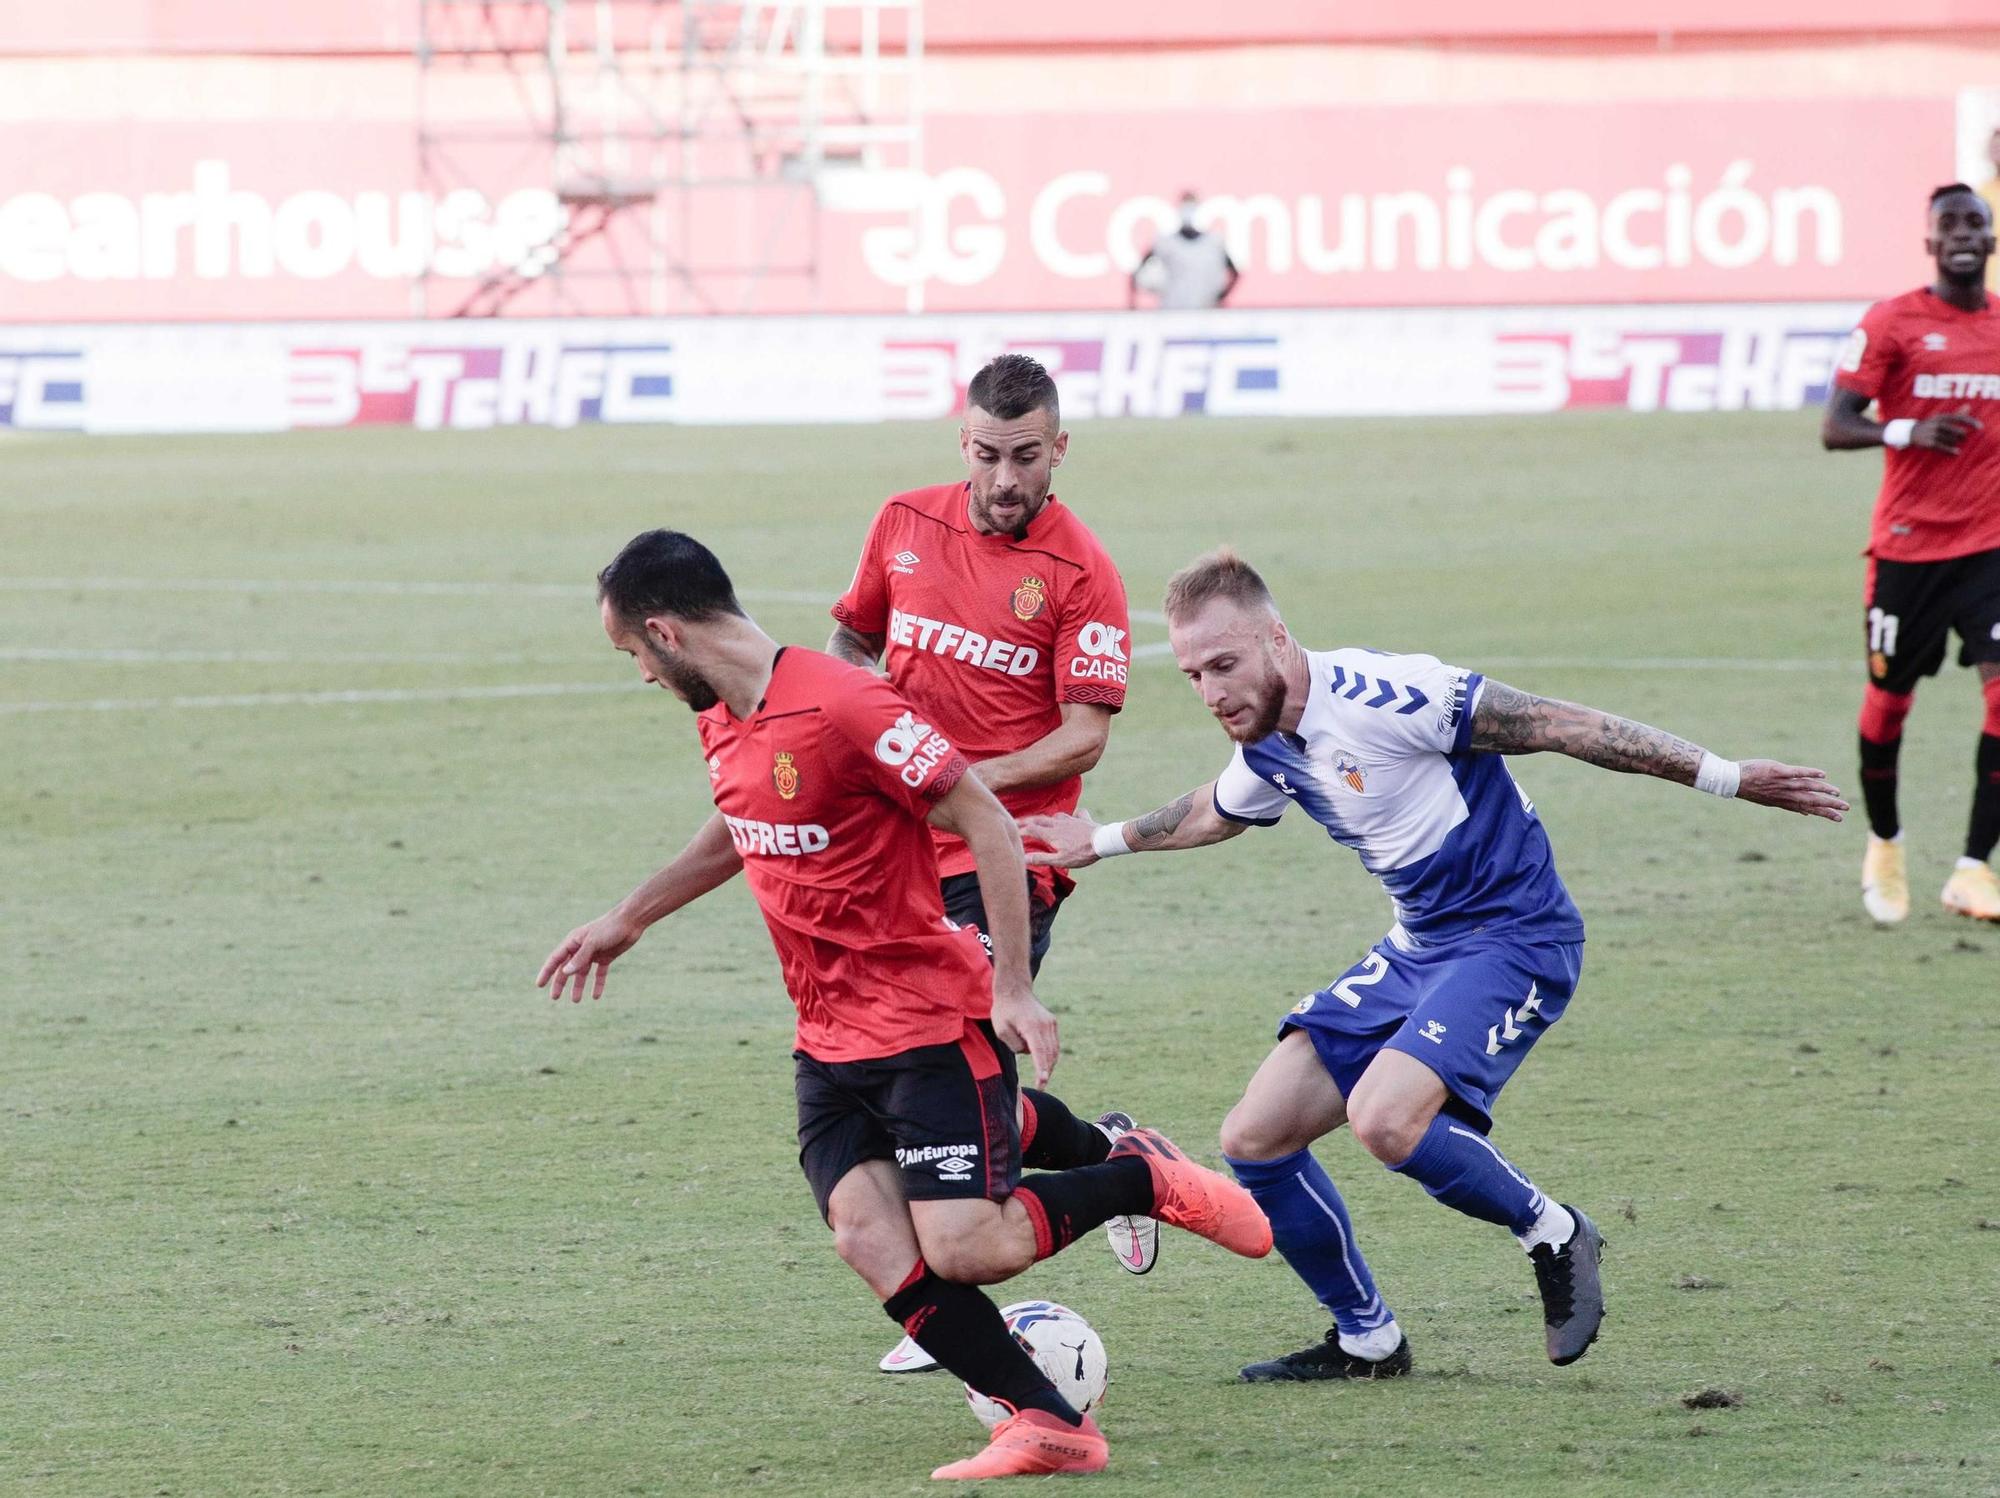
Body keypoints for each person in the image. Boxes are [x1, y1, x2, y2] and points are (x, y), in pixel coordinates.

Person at [537, 530, 1271, 1481]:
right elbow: (741, 818)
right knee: (866, 1233)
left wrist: (1012, 985)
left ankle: (1141, 1178)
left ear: (667, 631)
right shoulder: (722, 713)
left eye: (632, 652)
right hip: (824, 1035)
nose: (638, 673)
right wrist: (628, 917)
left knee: (968, 1247)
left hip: (924, 1020)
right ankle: (1050, 1424)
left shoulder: (846, 702)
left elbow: (985, 820)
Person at [1021, 549, 1845, 1382]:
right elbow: (1217, 810)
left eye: (1225, 664)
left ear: (1277, 637)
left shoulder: (1394, 696)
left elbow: (1566, 725)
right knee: (1256, 1137)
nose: (1211, 692)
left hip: (1516, 936)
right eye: (1194, 674)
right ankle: (1368, 1340)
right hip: (1419, 944)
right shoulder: (1269, 739)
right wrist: (1100, 841)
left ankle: (1556, 1232)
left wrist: (1729, 777)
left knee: (1387, 1118)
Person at [827, 355, 1157, 1377]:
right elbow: (850, 638)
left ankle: (958, 1296)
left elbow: (1083, 736)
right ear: (958, 442)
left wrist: (953, 779)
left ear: (1058, 449)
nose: (1005, 477)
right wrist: (851, 733)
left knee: (938, 1060)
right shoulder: (902, 522)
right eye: (986, 454)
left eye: (1025, 456)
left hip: (1002, 855)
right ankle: (1114, 1155)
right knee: (899, 1069)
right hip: (891, 852)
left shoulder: (1080, 571)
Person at [1823, 182, 2000, 926]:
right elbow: (1835, 425)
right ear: (1930, 243)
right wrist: (1906, 432)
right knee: (1889, 704)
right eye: (1948, 224)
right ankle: (1885, 844)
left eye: (1975, 222)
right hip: (1907, 553)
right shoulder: (1892, 322)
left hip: (1991, 550)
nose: (1962, 233)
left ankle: (1971, 869)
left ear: (1991, 239)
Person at [1129, 192, 1240, 310]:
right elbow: (1137, 273)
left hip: (1206, 311)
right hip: (1172, 311)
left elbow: (1235, 272)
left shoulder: (1214, 243)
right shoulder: (1165, 243)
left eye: (1191, 205)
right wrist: (1132, 304)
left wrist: (1222, 295)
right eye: (1186, 205)